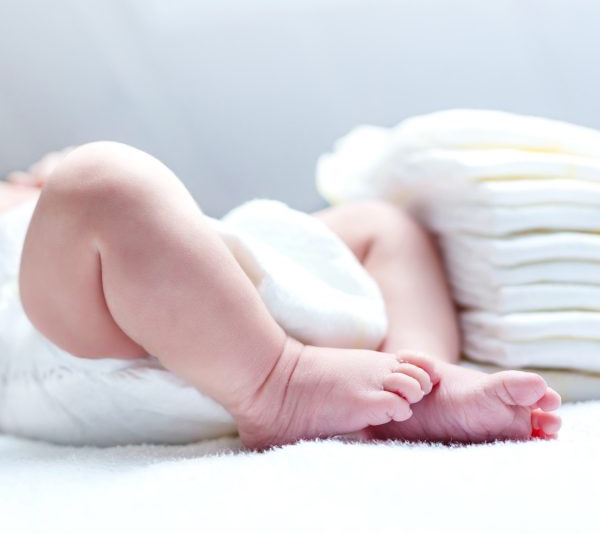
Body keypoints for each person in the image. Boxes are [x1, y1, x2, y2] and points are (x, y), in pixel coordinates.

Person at [1, 142, 561, 448]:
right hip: (82, 334)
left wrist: (43, 186)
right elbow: (94, 209)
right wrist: (60, 195)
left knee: (381, 225)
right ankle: (279, 386)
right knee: (101, 179)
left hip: (222, 290)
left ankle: (419, 377)